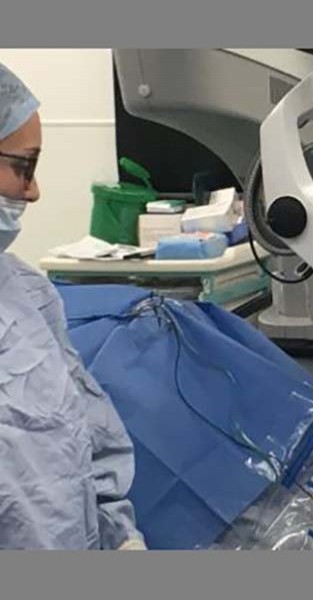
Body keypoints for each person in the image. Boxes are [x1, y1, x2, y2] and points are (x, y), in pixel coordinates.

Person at [0, 63, 145, 549]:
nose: (33, 190)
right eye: (24, 167)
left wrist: (121, 538)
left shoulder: (25, 293)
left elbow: (89, 434)